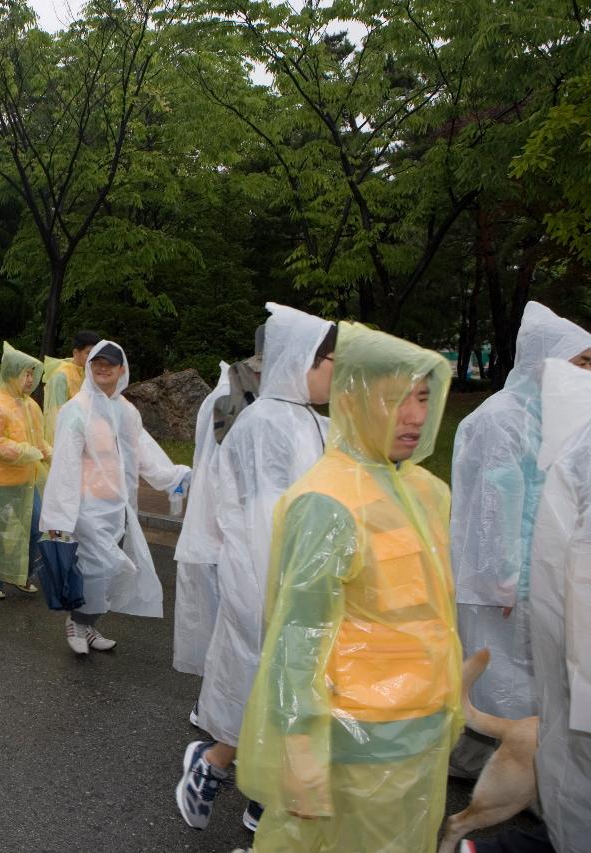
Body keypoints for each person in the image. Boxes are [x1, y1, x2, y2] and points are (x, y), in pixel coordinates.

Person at [236, 322, 461, 852]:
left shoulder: (425, 490)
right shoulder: (328, 502)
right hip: (359, 738)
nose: (415, 416)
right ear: (357, 402)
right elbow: (297, 637)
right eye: (395, 400)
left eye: (424, 398)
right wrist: (299, 747)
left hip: (424, 726)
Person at [177, 303, 335, 833]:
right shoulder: (267, 424)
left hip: (295, 582)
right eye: (329, 361)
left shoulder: (312, 420)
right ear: (298, 360)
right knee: (273, 689)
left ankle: (242, 783)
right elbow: (265, 522)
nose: (338, 373)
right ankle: (226, 772)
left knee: (283, 694)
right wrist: (293, 591)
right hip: (268, 580)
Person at [450, 302, 591, 774]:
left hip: (539, 574)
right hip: (508, 585)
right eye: (581, 363)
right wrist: (502, 578)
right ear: (543, 362)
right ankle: (519, 774)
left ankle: (496, 763)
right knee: (505, 675)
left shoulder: (548, 415)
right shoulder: (502, 419)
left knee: (522, 674)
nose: (587, 374)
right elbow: (492, 508)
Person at [40, 340, 190, 653]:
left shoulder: (126, 412)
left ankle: (88, 625)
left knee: (106, 576)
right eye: (98, 362)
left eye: (110, 363)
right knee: (100, 569)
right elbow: (65, 466)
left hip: (119, 509)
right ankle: (76, 621)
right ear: (89, 367)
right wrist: (60, 517)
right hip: (86, 509)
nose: (103, 368)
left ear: (122, 370)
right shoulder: (76, 411)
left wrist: (173, 476)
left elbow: (144, 454)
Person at [500, 356, 591, 853]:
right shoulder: (581, 447)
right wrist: (499, 578)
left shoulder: (575, 442)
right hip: (570, 643)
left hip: (564, 639)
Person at [0, 342, 51, 598]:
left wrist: (49, 453)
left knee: (36, 528)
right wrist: (27, 452)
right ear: (11, 374)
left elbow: (38, 440)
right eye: (25, 373)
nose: (29, 379)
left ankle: (20, 574)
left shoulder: (30, 406)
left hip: (25, 480)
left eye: (32, 374)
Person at [172, 360, 231, 680]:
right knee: (223, 626)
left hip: (217, 529)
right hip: (219, 531)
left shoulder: (229, 399)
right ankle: (214, 704)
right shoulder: (228, 401)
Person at [42, 329, 100, 445]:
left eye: (95, 354)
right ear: (75, 353)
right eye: (88, 353)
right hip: (64, 440)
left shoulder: (87, 373)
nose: (92, 358)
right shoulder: (61, 376)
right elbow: (55, 414)